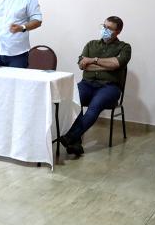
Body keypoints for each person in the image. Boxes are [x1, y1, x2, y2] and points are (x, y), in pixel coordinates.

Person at [54, 16, 131, 156]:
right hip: (87, 84)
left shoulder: (124, 47)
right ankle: (75, 142)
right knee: (71, 98)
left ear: (118, 31)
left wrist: (93, 60)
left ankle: (70, 137)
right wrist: (106, 65)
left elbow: (116, 64)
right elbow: (82, 65)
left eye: (109, 28)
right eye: (104, 26)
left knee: (94, 106)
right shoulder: (91, 44)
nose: (105, 29)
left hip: (110, 87)